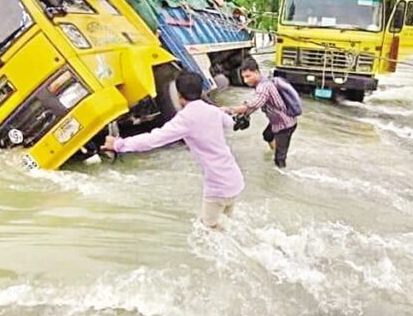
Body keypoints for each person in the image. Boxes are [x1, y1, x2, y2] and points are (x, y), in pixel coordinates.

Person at [102, 71, 244, 229]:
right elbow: (230, 123)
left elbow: (153, 139)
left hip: (217, 186)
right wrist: (224, 111)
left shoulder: (185, 118)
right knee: (226, 228)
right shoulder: (212, 110)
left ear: (179, 95)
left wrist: (117, 144)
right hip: (234, 180)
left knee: (207, 231)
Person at [228, 58, 297, 168]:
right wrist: (245, 114)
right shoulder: (263, 82)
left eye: (248, 76)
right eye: (243, 77)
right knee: (267, 135)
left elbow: (254, 103)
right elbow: (259, 104)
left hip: (285, 124)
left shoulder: (263, 86)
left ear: (256, 72)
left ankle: (281, 173)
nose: (245, 81)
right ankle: (276, 151)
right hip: (278, 121)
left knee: (280, 160)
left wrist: (231, 109)